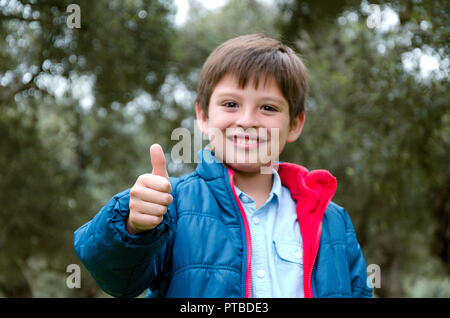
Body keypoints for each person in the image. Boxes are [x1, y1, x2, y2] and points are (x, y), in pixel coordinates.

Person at [73, 34, 373, 298]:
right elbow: (117, 281)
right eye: (231, 104)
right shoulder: (171, 206)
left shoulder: (333, 221)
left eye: (268, 108)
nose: (247, 120)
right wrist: (132, 225)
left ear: (295, 124)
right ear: (203, 116)